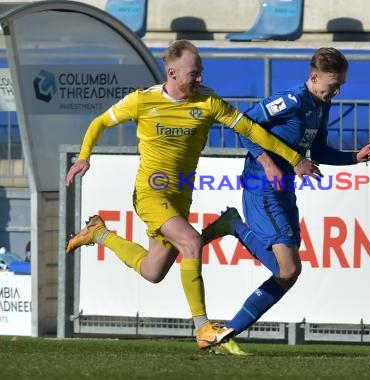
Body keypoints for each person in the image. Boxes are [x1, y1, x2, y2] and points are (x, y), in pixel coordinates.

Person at [65, 40, 320, 352]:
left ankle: (99, 233)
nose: (200, 79)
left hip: (180, 197)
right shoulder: (142, 101)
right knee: (191, 242)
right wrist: (84, 156)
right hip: (150, 194)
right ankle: (203, 328)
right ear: (172, 72)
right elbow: (100, 122)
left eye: (201, 73)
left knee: (152, 271)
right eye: (193, 73)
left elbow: (253, 131)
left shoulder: (208, 101)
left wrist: (293, 159)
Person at [201, 47, 370, 355]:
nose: (337, 91)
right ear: (313, 77)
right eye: (333, 84)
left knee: (289, 271)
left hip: (284, 189)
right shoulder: (292, 100)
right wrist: (268, 163)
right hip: (261, 186)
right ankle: (222, 333)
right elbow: (242, 125)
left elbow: (319, 152)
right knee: (288, 270)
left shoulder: (321, 107)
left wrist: (355, 157)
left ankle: (222, 333)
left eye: (340, 85)